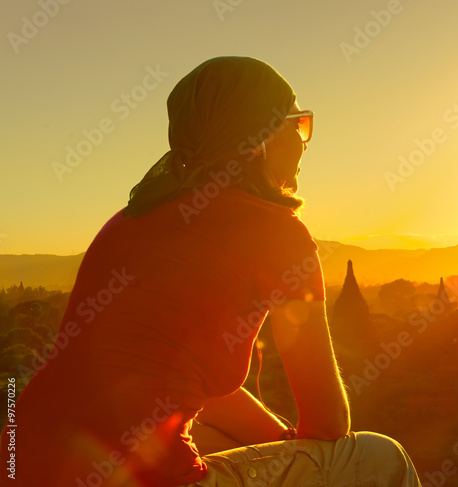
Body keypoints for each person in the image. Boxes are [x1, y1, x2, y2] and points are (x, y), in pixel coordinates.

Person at [0, 56, 421, 487]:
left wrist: (284, 442)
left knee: (218, 432)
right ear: (256, 139)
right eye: (295, 124)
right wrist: (302, 448)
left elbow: (198, 387)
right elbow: (329, 424)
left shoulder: (130, 219)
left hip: (22, 461)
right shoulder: (277, 233)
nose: (303, 141)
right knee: (378, 456)